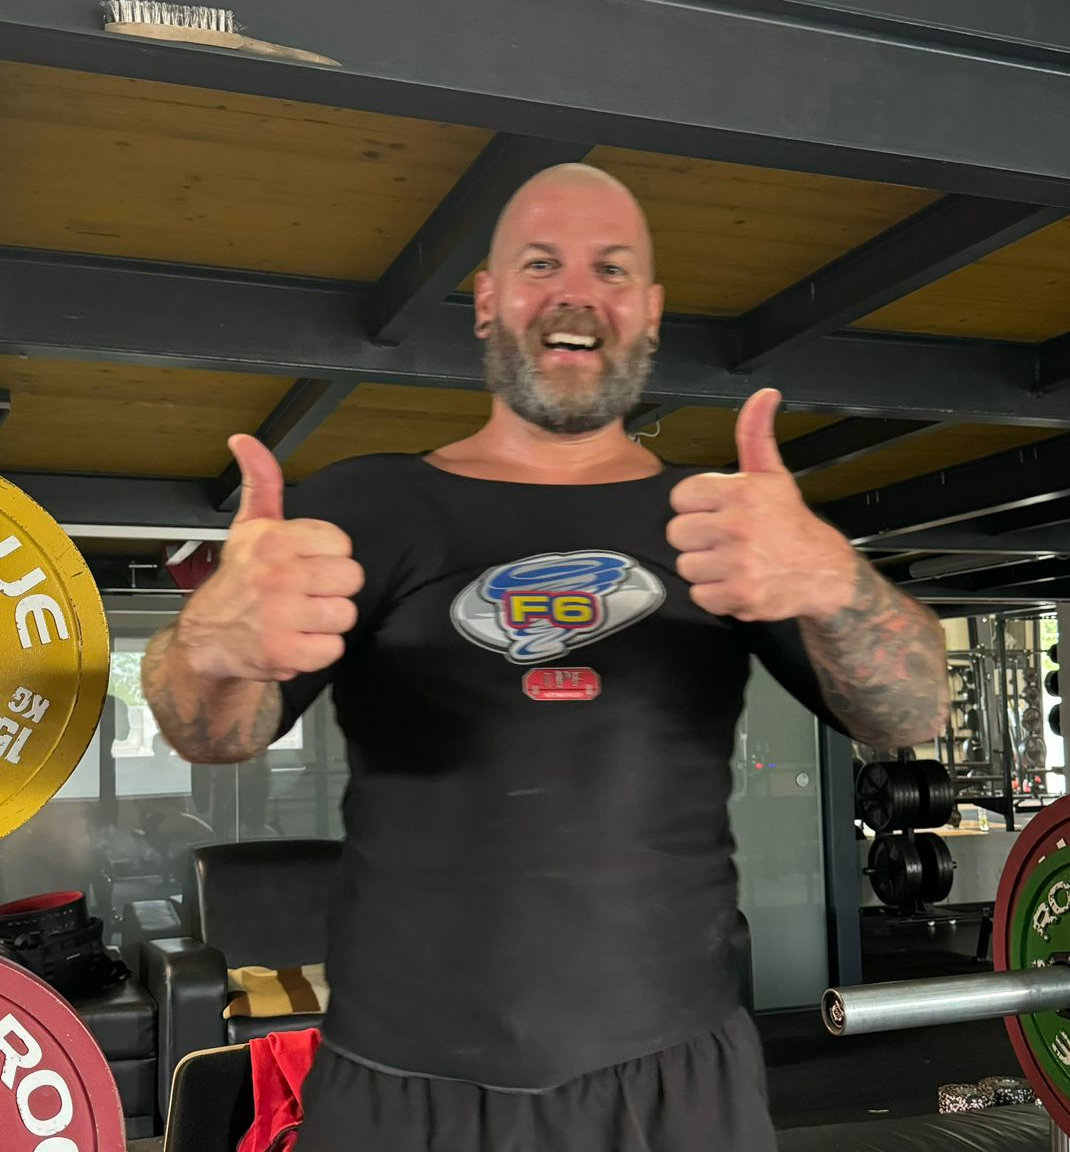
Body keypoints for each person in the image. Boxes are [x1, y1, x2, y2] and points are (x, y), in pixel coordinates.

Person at [142, 164, 949, 1152]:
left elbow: (911, 713)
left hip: (675, 1089)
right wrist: (211, 647)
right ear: (487, 301)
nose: (576, 293)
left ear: (651, 312)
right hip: (399, 1091)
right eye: (540, 264)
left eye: (611, 269)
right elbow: (212, 734)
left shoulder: (726, 523)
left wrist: (836, 581)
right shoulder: (368, 507)